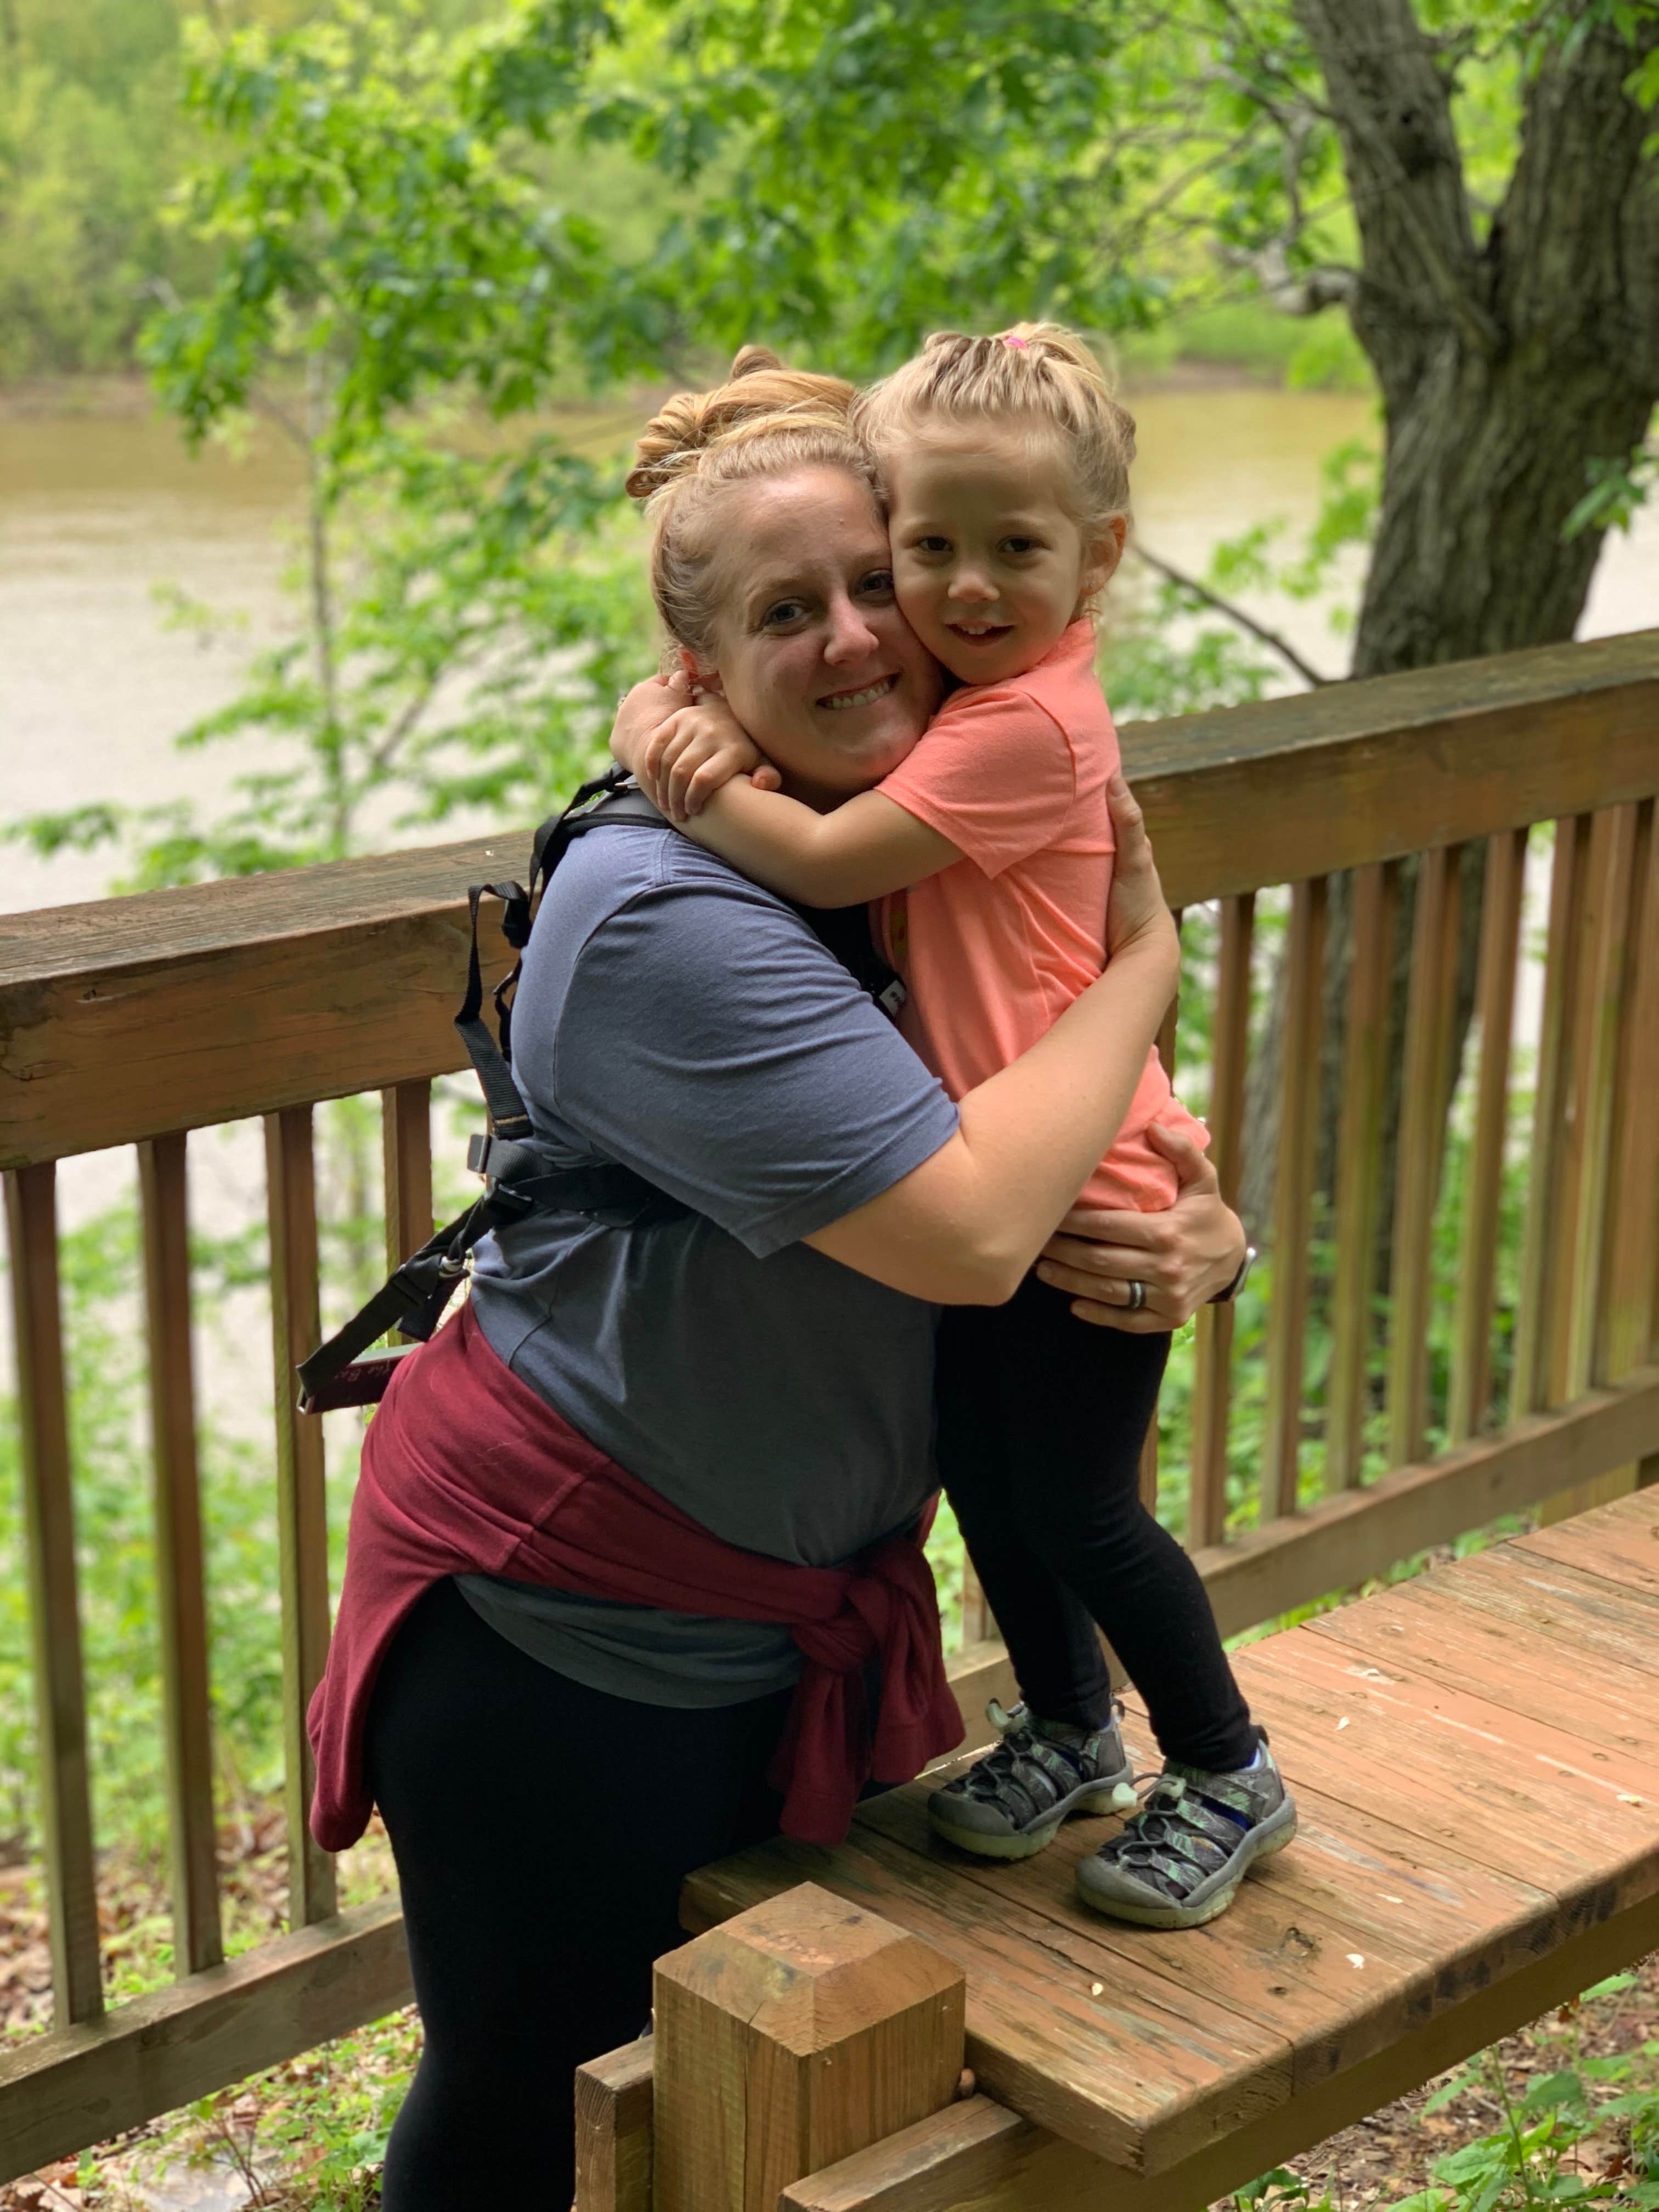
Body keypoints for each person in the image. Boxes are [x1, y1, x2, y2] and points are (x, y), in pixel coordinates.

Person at [307, 347, 1245, 2209]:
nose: (863, 635)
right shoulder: (669, 911)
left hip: (788, 1606)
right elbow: (972, 1227)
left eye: (881, 580)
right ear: (694, 671)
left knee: (746, 2111)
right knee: (533, 2099)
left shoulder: (919, 844)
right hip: (568, 1630)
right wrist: (1154, 956)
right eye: (783, 612)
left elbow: (1062, 1113)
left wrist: (1203, 1240)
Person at [610, 326, 1291, 1934]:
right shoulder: (970, 705)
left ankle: (1229, 1764)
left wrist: (661, 743)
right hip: (1015, 1167)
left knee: (1080, 1505)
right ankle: (1071, 1727)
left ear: (1099, 555)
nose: (956, 594)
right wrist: (713, 721)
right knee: (989, 1478)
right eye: (930, 550)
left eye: (1012, 551)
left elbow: (828, 857)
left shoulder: (1025, 725)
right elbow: (861, 775)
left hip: (1084, 1195)